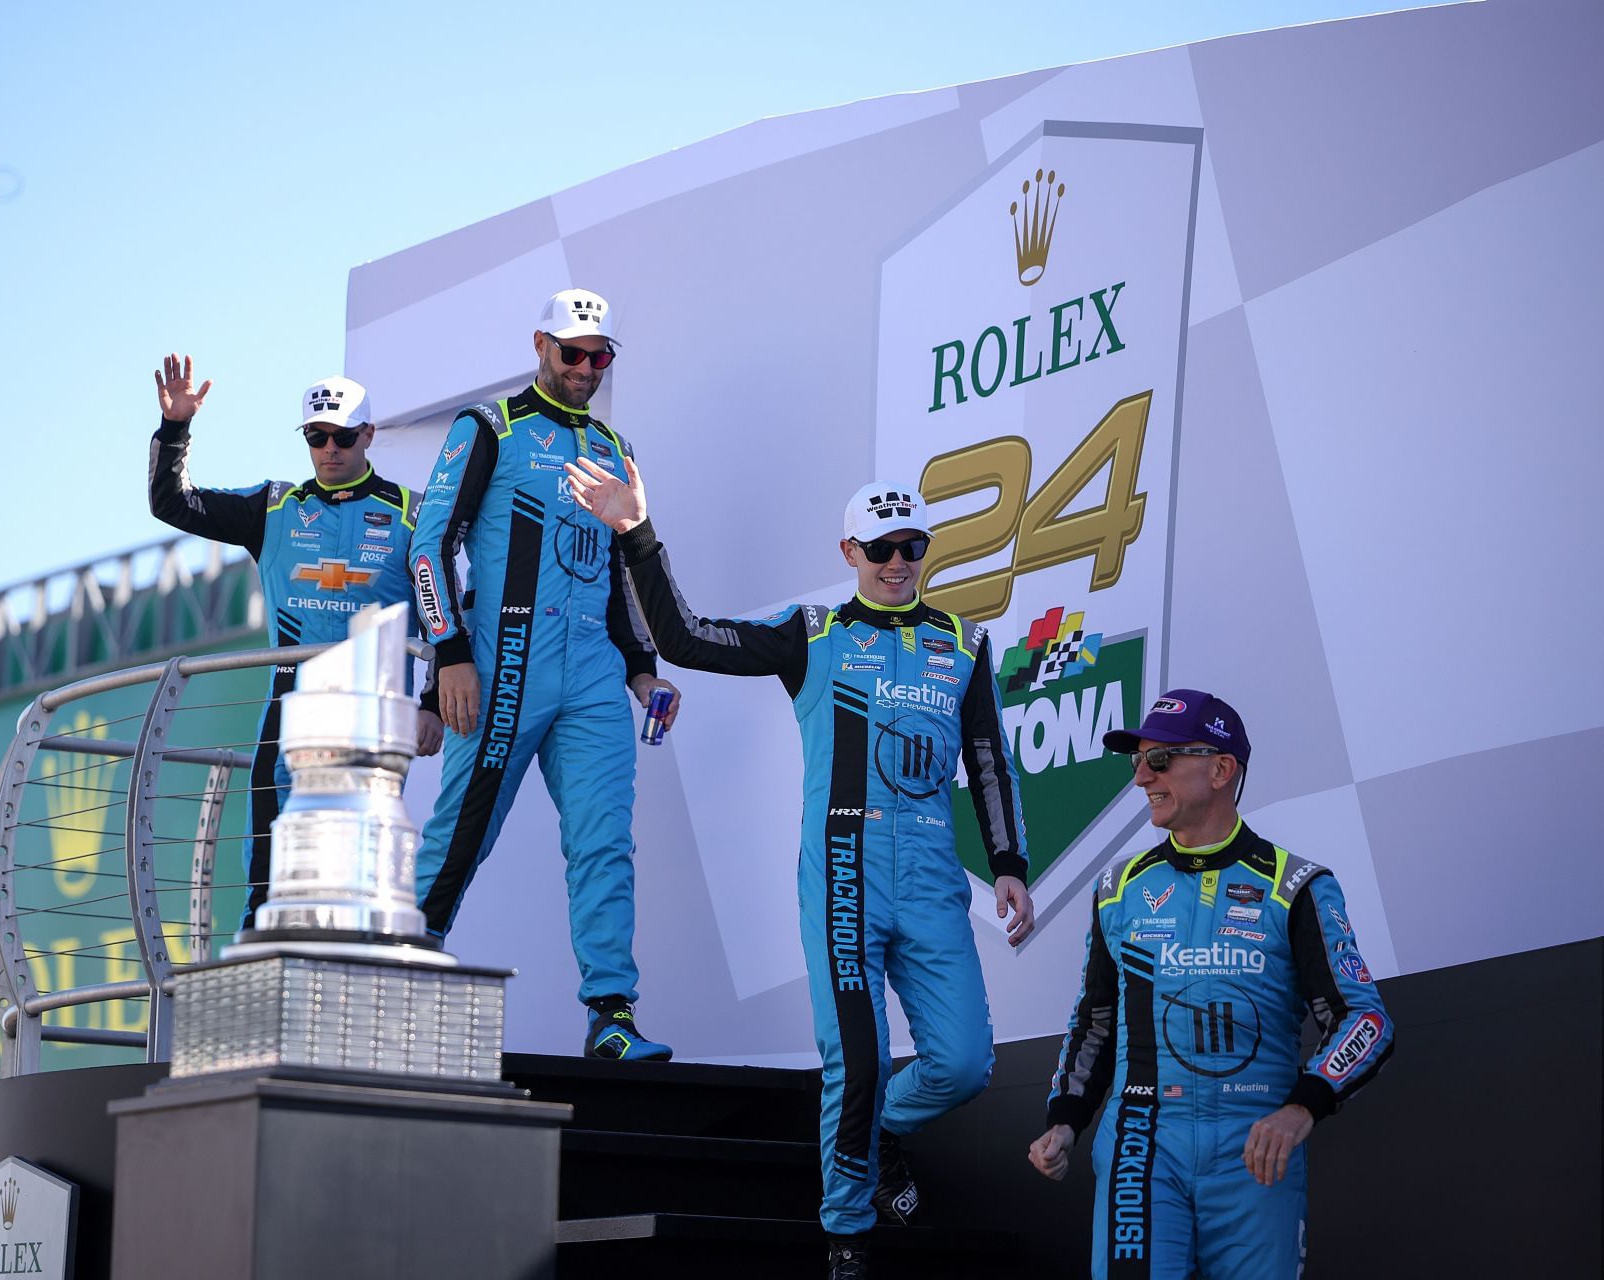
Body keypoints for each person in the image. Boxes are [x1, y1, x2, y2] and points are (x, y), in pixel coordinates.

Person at [563, 458, 1034, 1279]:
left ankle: (881, 1135)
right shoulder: (813, 633)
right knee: (858, 1060)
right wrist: (636, 532)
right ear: (849, 551)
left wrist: (1009, 862)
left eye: (912, 547)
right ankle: (847, 1235)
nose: (898, 563)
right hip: (843, 873)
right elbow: (684, 639)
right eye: (881, 548)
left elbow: (989, 758)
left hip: (932, 881)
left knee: (964, 1065)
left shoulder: (965, 643)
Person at [1028, 691, 1394, 1279]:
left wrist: (1302, 1108)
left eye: (1160, 760)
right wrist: (1066, 1119)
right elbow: (1095, 1022)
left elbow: (1365, 1020)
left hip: (1254, 1150)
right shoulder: (1119, 888)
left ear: (1222, 769)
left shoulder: (1296, 886)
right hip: (1142, 1143)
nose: (1142, 777)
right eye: (1138, 762)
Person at [409, 289, 681, 1061]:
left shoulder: (615, 446)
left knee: (605, 845)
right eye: (573, 352)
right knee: (462, 837)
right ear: (540, 344)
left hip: (594, 677)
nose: (587, 368)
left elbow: (621, 573)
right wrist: (450, 658)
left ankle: (612, 1017)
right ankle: (391, 983)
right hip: (504, 667)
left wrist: (644, 672)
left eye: (601, 356)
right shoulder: (489, 427)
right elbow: (430, 549)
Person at [148, 354, 441, 930]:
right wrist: (176, 427)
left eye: (343, 436)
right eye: (316, 437)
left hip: (372, 713)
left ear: (368, 435)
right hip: (288, 712)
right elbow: (173, 503)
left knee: (359, 862)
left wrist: (431, 702)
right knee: (270, 862)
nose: (330, 449)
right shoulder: (275, 507)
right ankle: (260, 950)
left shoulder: (413, 513)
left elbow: (445, 612)